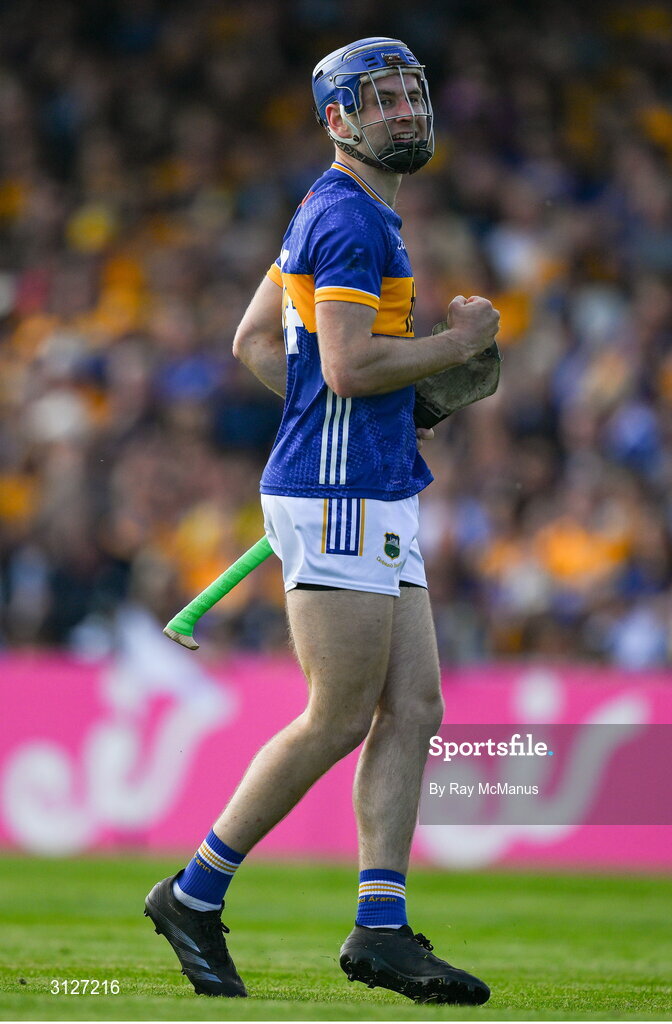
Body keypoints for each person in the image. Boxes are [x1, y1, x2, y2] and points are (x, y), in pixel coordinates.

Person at [143, 36, 499, 1005]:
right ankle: (194, 891)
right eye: (380, 101)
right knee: (337, 714)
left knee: (414, 707)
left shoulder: (337, 208)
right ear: (339, 119)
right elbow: (342, 367)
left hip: (372, 480)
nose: (403, 113)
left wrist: (357, 414)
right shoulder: (349, 223)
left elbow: (257, 340)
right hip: (338, 494)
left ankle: (379, 929)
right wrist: (453, 345)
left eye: (410, 95)